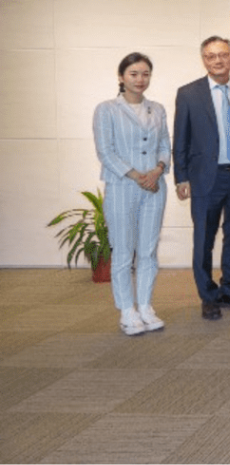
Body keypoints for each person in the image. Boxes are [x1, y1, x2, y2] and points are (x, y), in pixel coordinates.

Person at [173, 36, 230, 321]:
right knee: (204, 239)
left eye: (223, 55)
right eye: (211, 56)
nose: (217, 61)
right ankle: (207, 296)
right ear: (204, 60)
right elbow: (180, 138)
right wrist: (181, 176)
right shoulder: (188, 94)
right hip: (206, 179)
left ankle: (229, 290)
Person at [93, 52, 171, 336]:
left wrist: (158, 169)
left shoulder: (158, 109)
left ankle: (146, 306)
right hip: (123, 186)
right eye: (134, 74)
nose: (140, 79)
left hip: (154, 187)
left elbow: (165, 144)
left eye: (145, 74)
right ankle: (127, 310)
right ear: (121, 77)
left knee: (148, 250)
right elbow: (105, 151)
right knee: (124, 251)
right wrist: (137, 175)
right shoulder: (107, 109)